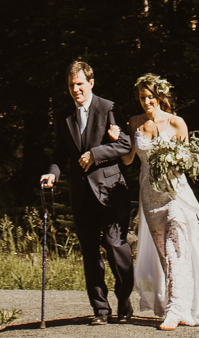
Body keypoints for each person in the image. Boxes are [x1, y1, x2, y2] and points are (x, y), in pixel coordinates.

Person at [121, 73, 199, 329]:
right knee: (165, 254)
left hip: (174, 195)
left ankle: (176, 309)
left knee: (176, 249)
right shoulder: (135, 123)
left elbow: (188, 161)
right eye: (142, 97)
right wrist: (115, 137)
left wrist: (177, 163)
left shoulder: (176, 123)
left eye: (150, 97)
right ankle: (181, 303)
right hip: (150, 198)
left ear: (160, 96)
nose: (146, 102)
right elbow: (128, 159)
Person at [38, 59, 135, 324]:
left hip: (112, 191)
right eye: (71, 85)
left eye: (80, 84)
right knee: (90, 252)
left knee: (116, 246)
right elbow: (60, 153)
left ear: (91, 83)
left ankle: (124, 302)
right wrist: (52, 173)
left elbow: (126, 145)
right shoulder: (63, 114)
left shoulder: (108, 108)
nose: (75, 89)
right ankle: (101, 310)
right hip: (82, 195)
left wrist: (95, 154)